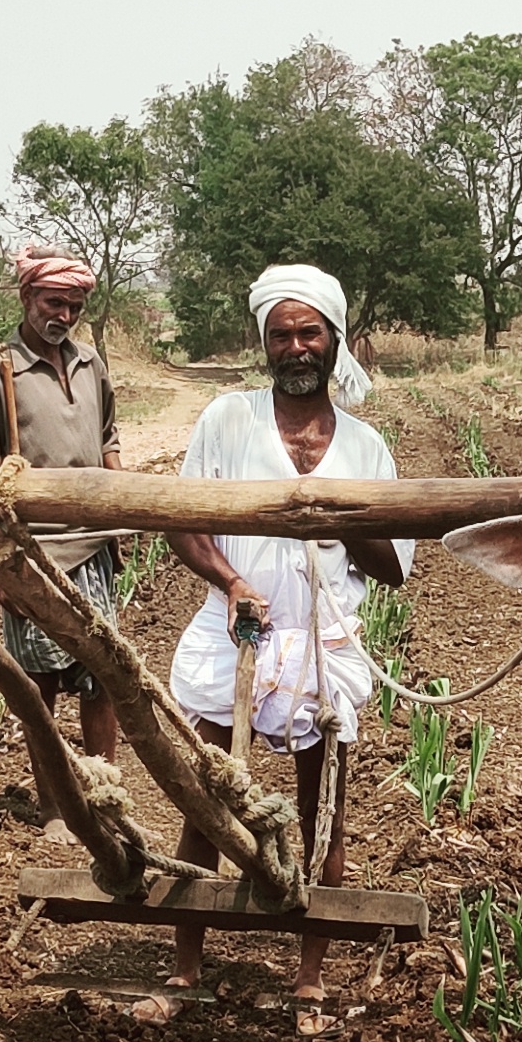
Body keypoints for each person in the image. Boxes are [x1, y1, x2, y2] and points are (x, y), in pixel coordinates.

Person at [167, 264, 408, 894]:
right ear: (265, 344)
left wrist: (335, 515)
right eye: (281, 335)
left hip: (324, 644)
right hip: (236, 632)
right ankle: (186, 946)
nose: (296, 347)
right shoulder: (228, 419)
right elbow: (182, 525)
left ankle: (312, 951)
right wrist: (231, 582)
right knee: (208, 802)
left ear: (334, 339)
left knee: (322, 813)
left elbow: (393, 568)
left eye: (309, 333)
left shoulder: (365, 447)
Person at [0, 250, 125, 824]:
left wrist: (124, 504)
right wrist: (0, 568)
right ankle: (57, 808)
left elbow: (108, 437)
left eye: (75, 306)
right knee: (43, 685)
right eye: (55, 302)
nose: (65, 316)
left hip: (94, 544)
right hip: (35, 552)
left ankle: (105, 801)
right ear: (27, 297)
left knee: (105, 676)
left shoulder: (90, 362)